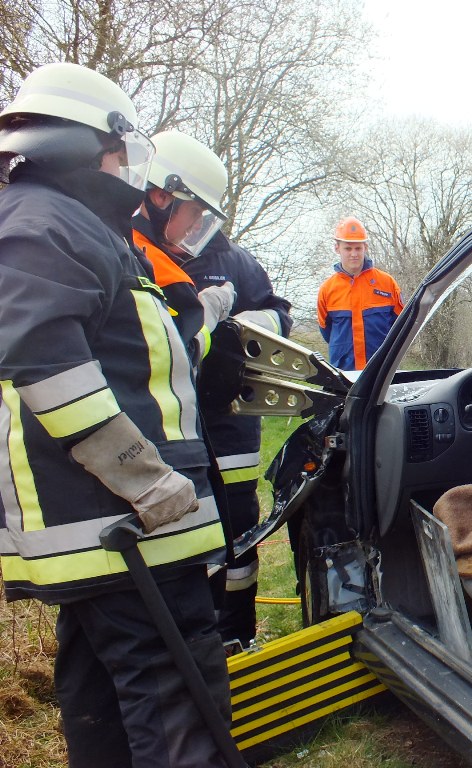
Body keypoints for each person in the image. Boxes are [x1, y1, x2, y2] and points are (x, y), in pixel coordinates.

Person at [0, 63, 230, 766]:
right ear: (77, 144)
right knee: (177, 704)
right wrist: (144, 481)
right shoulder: (46, 225)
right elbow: (45, 361)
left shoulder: (66, 226)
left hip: (108, 532)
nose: (127, 172)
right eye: (118, 151)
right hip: (130, 527)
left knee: (103, 698)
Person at [189, 229, 293, 648]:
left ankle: (238, 633)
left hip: (230, 421)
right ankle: (197, 638)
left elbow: (279, 313)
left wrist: (247, 325)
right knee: (188, 532)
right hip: (175, 422)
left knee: (239, 530)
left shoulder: (235, 261)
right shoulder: (137, 251)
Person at [132, 129, 236, 361]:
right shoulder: (168, 279)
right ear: (162, 196)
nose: (198, 225)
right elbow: (178, 356)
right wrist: (209, 308)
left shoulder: (108, 238)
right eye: (195, 211)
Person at [317, 216, 403, 370]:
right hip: (343, 374)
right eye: (348, 248)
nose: (354, 254)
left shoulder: (387, 284)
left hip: (380, 373)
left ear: (366, 247)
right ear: (337, 248)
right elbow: (326, 331)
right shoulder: (327, 289)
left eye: (358, 248)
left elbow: (400, 327)